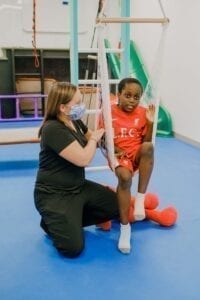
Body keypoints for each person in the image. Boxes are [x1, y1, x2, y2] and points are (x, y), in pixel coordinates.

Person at [34, 82, 120, 258]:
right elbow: (83, 158)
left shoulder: (74, 120)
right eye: (78, 102)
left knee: (118, 206)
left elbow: (92, 137)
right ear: (63, 107)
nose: (82, 106)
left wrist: (116, 147)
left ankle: (68, 220)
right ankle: (51, 223)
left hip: (78, 187)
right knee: (72, 249)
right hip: (54, 195)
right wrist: (94, 140)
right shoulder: (52, 129)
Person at [111, 77, 155, 254]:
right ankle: (125, 228)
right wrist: (113, 148)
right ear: (119, 94)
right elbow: (103, 138)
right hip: (118, 154)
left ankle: (140, 201)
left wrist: (150, 123)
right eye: (128, 95)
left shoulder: (143, 112)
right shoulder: (108, 111)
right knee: (125, 177)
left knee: (148, 146)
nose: (132, 100)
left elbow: (146, 144)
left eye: (136, 97)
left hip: (136, 153)